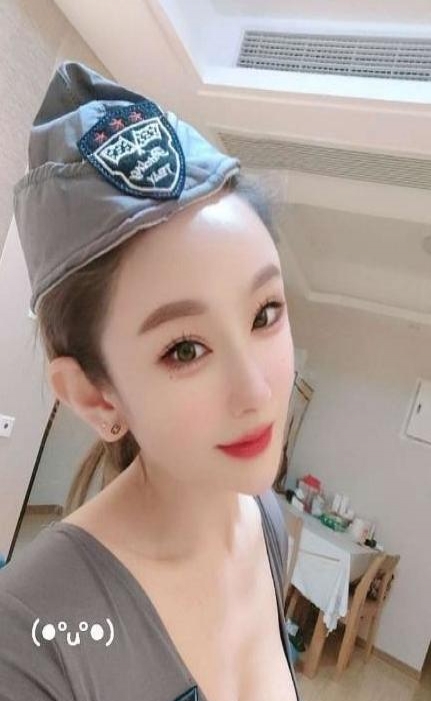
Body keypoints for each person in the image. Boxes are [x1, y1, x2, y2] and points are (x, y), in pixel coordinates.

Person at [0, 61, 299, 701]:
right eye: (185, 349)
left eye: (265, 313)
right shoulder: (28, 641)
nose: (257, 392)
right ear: (95, 396)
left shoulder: (267, 522)